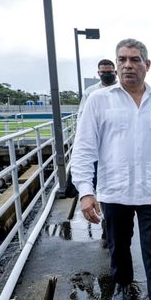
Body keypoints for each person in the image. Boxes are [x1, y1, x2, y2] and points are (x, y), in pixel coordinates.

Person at [70, 39, 151, 300]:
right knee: (119, 247)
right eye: (122, 59)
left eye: (135, 59)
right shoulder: (99, 101)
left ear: (147, 64)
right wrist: (86, 191)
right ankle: (122, 283)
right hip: (115, 191)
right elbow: (83, 150)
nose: (127, 65)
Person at [65, 60, 118, 199]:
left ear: (115, 72)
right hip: (95, 136)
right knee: (94, 170)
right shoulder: (91, 92)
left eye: (109, 72)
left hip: (114, 138)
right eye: (103, 72)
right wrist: (80, 136)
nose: (107, 75)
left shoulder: (122, 90)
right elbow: (82, 116)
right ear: (98, 73)